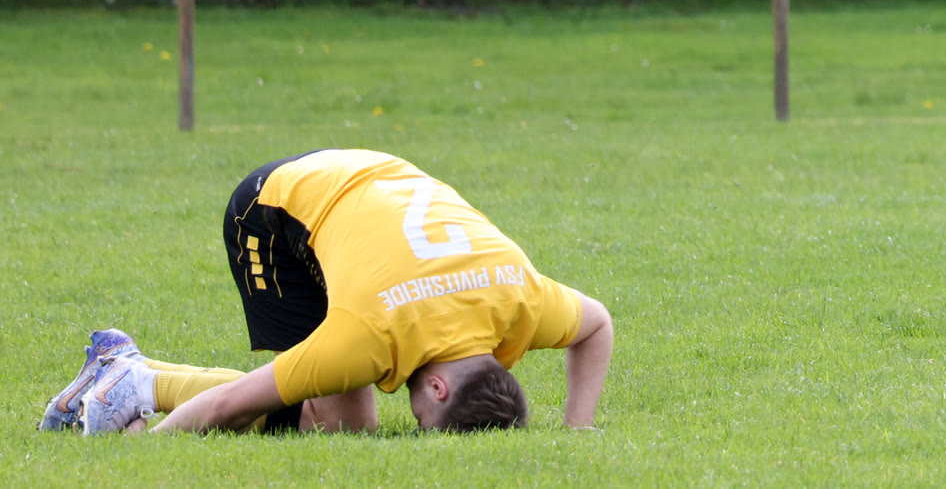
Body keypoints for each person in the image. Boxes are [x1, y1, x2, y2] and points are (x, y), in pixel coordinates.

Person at [40, 147, 617, 433]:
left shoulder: (520, 300)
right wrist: (147, 448)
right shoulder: (366, 335)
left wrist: (577, 433)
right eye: (424, 420)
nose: (414, 416)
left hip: (371, 172)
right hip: (273, 208)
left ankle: (124, 370)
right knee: (334, 424)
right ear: (438, 387)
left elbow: (596, 324)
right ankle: (135, 379)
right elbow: (225, 406)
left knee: (344, 420)